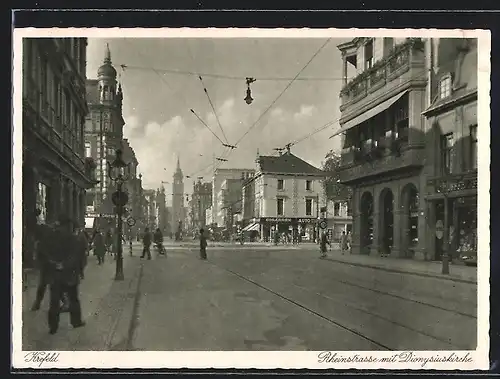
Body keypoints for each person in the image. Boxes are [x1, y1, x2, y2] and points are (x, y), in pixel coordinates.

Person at [46, 214, 85, 334]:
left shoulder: (51, 238)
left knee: (54, 301)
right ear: (68, 225)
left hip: (55, 274)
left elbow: (45, 252)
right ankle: (76, 322)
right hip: (69, 274)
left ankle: (53, 327)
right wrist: (67, 266)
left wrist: (53, 264)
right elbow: (76, 257)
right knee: (73, 299)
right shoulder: (72, 238)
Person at [31, 213, 54, 311]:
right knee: (53, 283)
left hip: (47, 263)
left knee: (44, 284)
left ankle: (37, 303)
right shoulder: (48, 235)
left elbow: (38, 254)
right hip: (50, 262)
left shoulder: (40, 242)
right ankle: (65, 301)